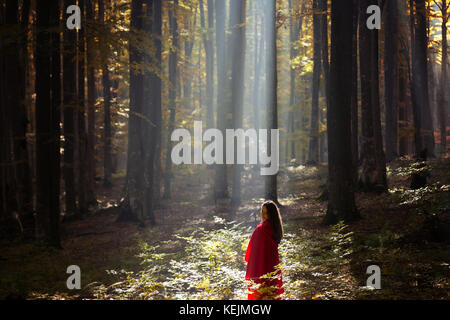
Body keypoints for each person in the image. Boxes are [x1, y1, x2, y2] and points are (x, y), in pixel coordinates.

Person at [244, 200, 284, 300]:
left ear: (272, 214)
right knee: (272, 287)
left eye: (266, 213)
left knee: (260, 291)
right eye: (262, 212)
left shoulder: (261, 229)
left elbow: (251, 253)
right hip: (272, 265)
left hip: (261, 266)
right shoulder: (276, 228)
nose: (263, 215)